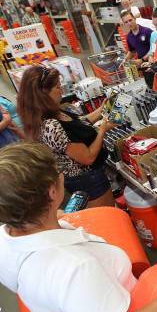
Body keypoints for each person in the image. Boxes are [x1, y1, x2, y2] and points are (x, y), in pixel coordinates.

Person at [0, 142, 157, 312]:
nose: (61, 175)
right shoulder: (75, 270)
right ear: (51, 192)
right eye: (57, 172)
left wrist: (50, 218)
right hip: (130, 307)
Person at [17, 66, 116, 208]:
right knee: (107, 216)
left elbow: (79, 124)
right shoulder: (50, 125)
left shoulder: (52, 111)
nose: (61, 90)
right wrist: (102, 129)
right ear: (43, 94)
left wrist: (103, 108)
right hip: (88, 181)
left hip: (92, 177)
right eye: (57, 87)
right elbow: (87, 157)